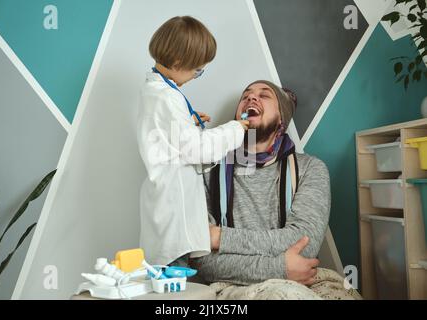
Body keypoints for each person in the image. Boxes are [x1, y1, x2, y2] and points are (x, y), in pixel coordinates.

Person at [190, 80, 361, 300]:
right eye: (246, 96)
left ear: (282, 119)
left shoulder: (310, 169)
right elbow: (200, 259)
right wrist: (280, 268)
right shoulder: (207, 170)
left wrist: (220, 238)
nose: (252, 98)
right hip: (232, 285)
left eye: (264, 95)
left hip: (306, 279)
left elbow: (304, 245)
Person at [137, 16, 249, 267]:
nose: (197, 75)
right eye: (198, 70)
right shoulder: (166, 97)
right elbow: (197, 150)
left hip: (165, 202)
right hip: (173, 210)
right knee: (174, 286)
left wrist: (189, 121)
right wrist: (234, 129)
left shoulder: (157, 92)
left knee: (167, 277)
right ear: (178, 63)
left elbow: (167, 135)